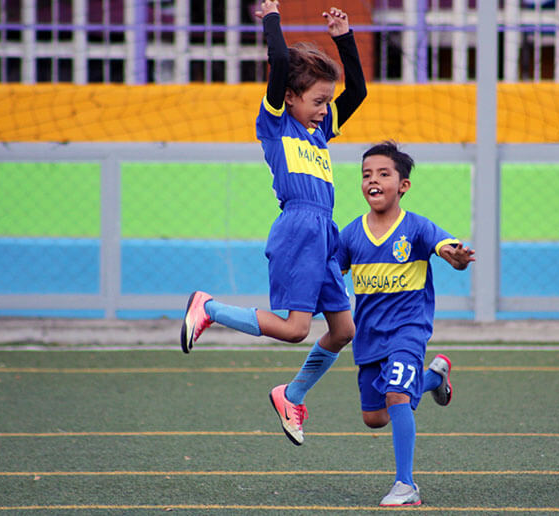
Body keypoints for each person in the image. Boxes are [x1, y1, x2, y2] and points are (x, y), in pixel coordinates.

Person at [179, 0, 366, 448]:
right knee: (296, 329)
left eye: (326, 101)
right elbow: (281, 60)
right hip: (299, 228)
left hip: (324, 230)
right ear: (288, 96)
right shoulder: (276, 122)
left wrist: (344, 38)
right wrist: (271, 20)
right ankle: (209, 309)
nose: (325, 108)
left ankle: (292, 394)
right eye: (318, 100)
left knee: (343, 330)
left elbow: (356, 91)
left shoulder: (319, 129)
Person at [335, 141, 475, 506]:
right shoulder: (350, 235)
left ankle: (406, 485)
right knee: (374, 417)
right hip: (368, 337)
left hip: (408, 330)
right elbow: (331, 274)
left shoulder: (416, 228)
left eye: (383, 173)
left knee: (397, 395)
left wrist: (456, 256)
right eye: (366, 175)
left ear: (403, 186)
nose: (373, 181)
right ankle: (434, 378)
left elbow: (448, 249)